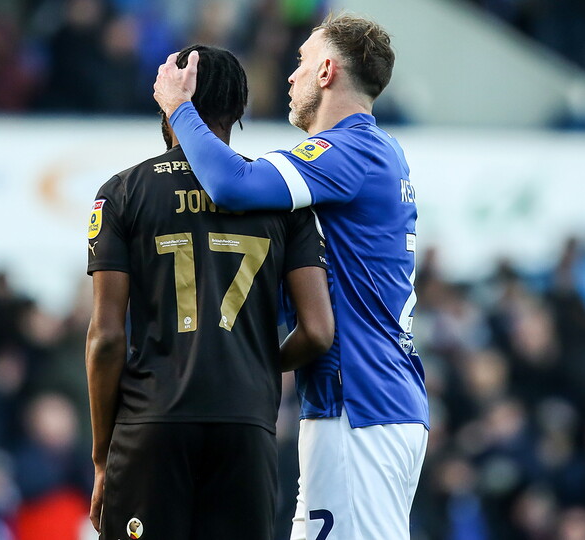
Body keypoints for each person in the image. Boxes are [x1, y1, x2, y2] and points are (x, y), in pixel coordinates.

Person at [153, 12, 429, 540]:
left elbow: (234, 184)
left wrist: (181, 110)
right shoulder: (377, 150)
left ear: (327, 72)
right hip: (363, 402)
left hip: (360, 404)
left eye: (301, 62)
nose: (289, 75)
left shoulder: (350, 150)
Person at [87, 45, 335, 540]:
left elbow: (107, 339)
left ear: (168, 101)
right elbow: (318, 331)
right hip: (246, 426)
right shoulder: (283, 198)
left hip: (151, 425)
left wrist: (101, 457)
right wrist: (255, 360)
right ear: (238, 110)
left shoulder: (121, 193)